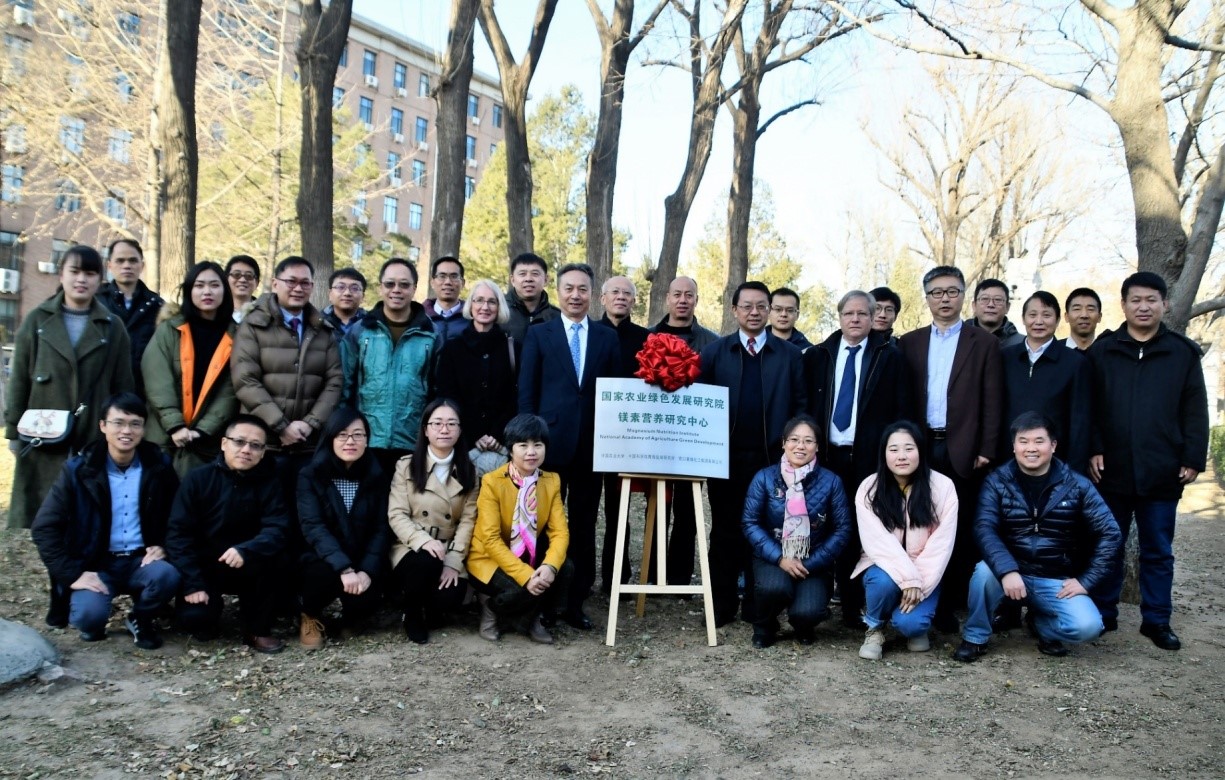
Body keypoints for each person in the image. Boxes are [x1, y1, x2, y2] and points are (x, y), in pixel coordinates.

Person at [1089, 272, 1207, 651]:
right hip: (1110, 470)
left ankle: (1157, 620)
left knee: (1158, 550)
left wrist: (1192, 457)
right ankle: (1103, 613)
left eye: (1151, 300)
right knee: (1109, 544)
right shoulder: (1103, 351)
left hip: (1162, 470)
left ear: (1164, 304)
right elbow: (1088, 407)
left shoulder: (1182, 353)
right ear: (1123, 304)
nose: (1143, 307)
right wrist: (1093, 447)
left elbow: (1195, 409)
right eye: (1136, 300)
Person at [954, 412, 1120, 662]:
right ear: (1014, 446)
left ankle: (1042, 626)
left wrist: (1087, 581)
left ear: (1053, 445)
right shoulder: (997, 481)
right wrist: (1007, 570)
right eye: (1023, 441)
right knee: (983, 574)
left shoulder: (1077, 485)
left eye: (1038, 441)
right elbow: (984, 527)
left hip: (1054, 578)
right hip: (1009, 572)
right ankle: (975, 637)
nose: (1031, 448)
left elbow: (1110, 532)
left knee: (1088, 627)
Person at [897, 266, 1003, 633]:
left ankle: (951, 606)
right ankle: (920, 596)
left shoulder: (983, 343)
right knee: (920, 524)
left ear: (963, 296)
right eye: (937, 292)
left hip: (964, 449)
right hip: (921, 447)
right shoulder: (909, 342)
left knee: (957, 529)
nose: (944, 299)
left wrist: (987, 447)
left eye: (952, 291)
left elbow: (993, 399)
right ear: (926, 298)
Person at [31, 393, 180, 649]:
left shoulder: (158, 465)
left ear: (143, 429)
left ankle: (141, 617)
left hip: (140, 559)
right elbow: (44, 527)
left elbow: (179, 515)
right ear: (103, 426)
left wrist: (164, 545)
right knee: (89, 618)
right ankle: (93, 613)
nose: (127, 431)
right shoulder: (78, 470)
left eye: (135, 424)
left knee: (167, 576)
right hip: (95, 563)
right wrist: (72, 574)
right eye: (118, 423)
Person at [518, 262, 620, 629]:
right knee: (544, 522)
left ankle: (576, 600)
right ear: (558, 291)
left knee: (584, 523)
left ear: (593, 294)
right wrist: (526, 442)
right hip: (548, 445)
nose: (575, 295)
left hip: (593, 446)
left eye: (583, 289)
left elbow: (615, 394)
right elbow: (527, 391)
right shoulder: (539, 334)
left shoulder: (607, 338)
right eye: (569, 288)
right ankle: (543, 600)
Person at [700, 280, 807, 626]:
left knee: (763, 529)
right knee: (725, 530)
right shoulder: (715, 353)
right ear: (734, 310)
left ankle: (757, 604)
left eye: (762, 306)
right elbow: (698, 403)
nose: (754, 312)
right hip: (724, 459)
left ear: (770, 311)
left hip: (770, 461)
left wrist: (792, 452)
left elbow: (800, 406)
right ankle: (721, 604)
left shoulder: (789, 356)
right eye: (747, 306)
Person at [6, 245, 135, 532]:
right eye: (74, 271)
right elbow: (19, 380)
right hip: (42, 435)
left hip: (92, 435)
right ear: (61, 274)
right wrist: (14, 432)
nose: (81, 279)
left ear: (99, 279)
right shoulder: (37, 321)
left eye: (90, 273)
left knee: (86, 518)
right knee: (45, 520)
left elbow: (123, 389)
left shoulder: (113, 327)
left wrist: (119, 434)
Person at [803, 290, 910, 627]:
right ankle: (815, 601)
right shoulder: (819, 355)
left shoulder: (889, 357)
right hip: (827, 458)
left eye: (862, 314)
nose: (855, 319)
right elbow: (805, 405)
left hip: (868, 459)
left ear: (873, 317)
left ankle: (854, 606)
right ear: (839, 316)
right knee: (825, 525)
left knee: (864, 530)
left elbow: (901, 410)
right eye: (849, 313)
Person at [166, 415, 290, 653]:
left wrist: (247, 549)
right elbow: (178, 535)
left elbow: (278, 528)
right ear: (224, 443)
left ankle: (257, 629)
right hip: (206, 565)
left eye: (255, 445)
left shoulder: (270, 481)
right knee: (196, 619)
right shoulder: (198, 478)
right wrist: (193, 583)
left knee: (279, 559)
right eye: (239, 442)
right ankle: (209, 612)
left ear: (263, 452)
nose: (246, 450)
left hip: (249, 562)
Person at [232, 255, 343, 494]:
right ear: (275, 284)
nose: (298, 288)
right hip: (263, 441)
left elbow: (334, 381)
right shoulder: (253, 325)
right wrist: (281, 426)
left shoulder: (323, 329)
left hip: (308, 443)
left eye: (305, 283)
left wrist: (310, 423)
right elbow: (245, 381)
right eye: (291, 281)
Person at [741, 415, 850, 648]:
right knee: (775, 588)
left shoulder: (832, 482)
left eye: (808, 441)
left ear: (817, 447)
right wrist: (780, 558)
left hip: (814, 560)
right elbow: (750, 523)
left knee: (808, 611)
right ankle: (764, 625)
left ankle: (803, 625)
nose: (800, 446)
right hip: (774, 556)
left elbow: (842, 530)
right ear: (783, 443)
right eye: (794, 439)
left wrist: (810, 563)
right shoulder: (764, 478)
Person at [853, 421, 958, 660]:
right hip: (882, 568)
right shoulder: (869, 488)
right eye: (894, 449)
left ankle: (909, 622)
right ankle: (875, 627)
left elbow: (941, 545)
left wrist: (917, 582)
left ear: (921, 451)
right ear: (884, 454)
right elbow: (878, 543)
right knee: (883, 582)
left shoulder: (943, 487)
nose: (902, 456)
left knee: (911, 626)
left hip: (925, 573)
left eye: (909, 448)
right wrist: (907, 578)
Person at [467, 414, 573, 644]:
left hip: (529, 552)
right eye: (523, 445)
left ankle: (531, 616)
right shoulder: (493, 482)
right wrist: (527, 576)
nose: (531, 452)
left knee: (563, 569)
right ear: (510, 449)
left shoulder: (551, 481)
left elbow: (559, 532)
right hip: (490, 557)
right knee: (523, 586)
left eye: (538, 445)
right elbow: (490, 539)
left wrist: (549, 566)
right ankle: (490, 607)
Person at [295, 408, 390, 650]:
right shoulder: (311, 474)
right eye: (342, 435)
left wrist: (367, 570)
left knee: (369, 595)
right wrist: (344, 567)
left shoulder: (377, 475)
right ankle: (309, 615)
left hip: (360, 556)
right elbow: (313, 526)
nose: (350, 441)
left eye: (358, 434)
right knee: (319, 575)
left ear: (367, 440)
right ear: (330, 438)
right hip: (323, 557)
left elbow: (381, 527)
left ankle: (353, 616)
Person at [648, 276, 719, 588]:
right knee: (657, 507)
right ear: (667, 298)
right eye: (677, 294)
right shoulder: (648, 336)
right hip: (657, 439)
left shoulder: (711, 343)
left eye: (689, 295)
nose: (682, 300)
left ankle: (679, 578)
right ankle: (653, 575)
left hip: (693, 440)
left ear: (696, 300)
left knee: (688, 511)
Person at [388, 399, 478, 643]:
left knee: (450, 596)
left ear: (460, 430)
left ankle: (429, 605)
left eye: (451, 423)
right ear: (426, 430)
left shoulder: (470, 471)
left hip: (448, 547)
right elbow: (396, 514)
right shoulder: (406, 466)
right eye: (437, 423)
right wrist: (423, 541)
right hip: (410, 545)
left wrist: (453, 561)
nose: (444, 429)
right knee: (426, 561)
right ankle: (412, 613)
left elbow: (468, 521)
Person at [340, 257, 438, 473]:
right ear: (380, 287)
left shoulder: (431, 334)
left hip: (412, 441)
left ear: (414, 289)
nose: (396, 290)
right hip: (366, 439)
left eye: (404, 284)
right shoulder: (360, 331)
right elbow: (344, 386)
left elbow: (437, 391)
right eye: (390, 284)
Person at [141, 261, 238, 477]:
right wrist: (175, 425)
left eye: (214, 285)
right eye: (199, 285)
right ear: (189, 291)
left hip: (209, 442)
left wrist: (203, 429)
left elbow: (231, 389)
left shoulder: (237, 335)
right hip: (164, 437)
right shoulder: (170, 329)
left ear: (225, 290)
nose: (207, 291)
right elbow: (157, 380)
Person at [596, 275, 650, 593]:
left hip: (628, 435)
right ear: (602, 298)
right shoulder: (590, 332)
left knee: (620, 509)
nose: (620, 297)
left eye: (626, 293)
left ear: (633, 301)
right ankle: (577, 578)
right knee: (584, 510)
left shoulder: (646, 338)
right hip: (591, 432)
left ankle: (616, 577)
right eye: (614, 292)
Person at [1001, 292, 1091, 475]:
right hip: (1008, 460)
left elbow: (1080, 421)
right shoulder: (1005, 358)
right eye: (1032, 315)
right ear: (1023, 319)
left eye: (1047, 315)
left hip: (1056, 462)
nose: (1039, 321)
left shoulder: (1074, 362)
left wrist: (1074, 470)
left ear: (1057, 320)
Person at [435, 279, 518, 472]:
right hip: (463, 442)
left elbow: (516, 397)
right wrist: (475, 433)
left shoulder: (513, 348)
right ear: (470, 305)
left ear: (499, 307)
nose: (485, 307)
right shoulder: (452, 348)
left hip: (502, 444)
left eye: (492, 301)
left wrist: (498, 433)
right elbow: (447, 396)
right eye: (479, 300)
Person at [98, 239, 164, 397]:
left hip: (143, 394)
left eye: (133, 260)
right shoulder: (96, 302)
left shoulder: (158, 307)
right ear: (109, 265)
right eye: (120, 261)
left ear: (142, 265)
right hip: (102, 392)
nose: (126, 265)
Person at [504, 252, 560, 342]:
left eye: (535, 274)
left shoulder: (558, 318)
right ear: (512, 280)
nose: (528, 279)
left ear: (546, 279)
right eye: (522, 274)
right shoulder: (499, 314)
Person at [967, 278, 1023, 348]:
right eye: (985, 299)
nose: (991, 305)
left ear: (1007, 307)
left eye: (998, 300)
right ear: (974, 306)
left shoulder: (1021, 344)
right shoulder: (959, 337)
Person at [423, 256, 469, 342]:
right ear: (432, 283)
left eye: (454, 276)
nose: (448, 282)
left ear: (462, 283)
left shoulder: (472, 317)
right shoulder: (419, 317)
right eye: (442, 276)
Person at [322, 267, 368, 338]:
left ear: (363, 296)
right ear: (330, 294)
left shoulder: (373, 323)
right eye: (340, 287)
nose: (347, 293)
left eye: (355, 288)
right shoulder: (316, 322)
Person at [225, 255, 261, 323]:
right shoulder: (215, 312)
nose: (242, 280)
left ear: (257, 283)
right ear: (226, 280)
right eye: (236, 275)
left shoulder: (265, 313)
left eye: (249, 276)